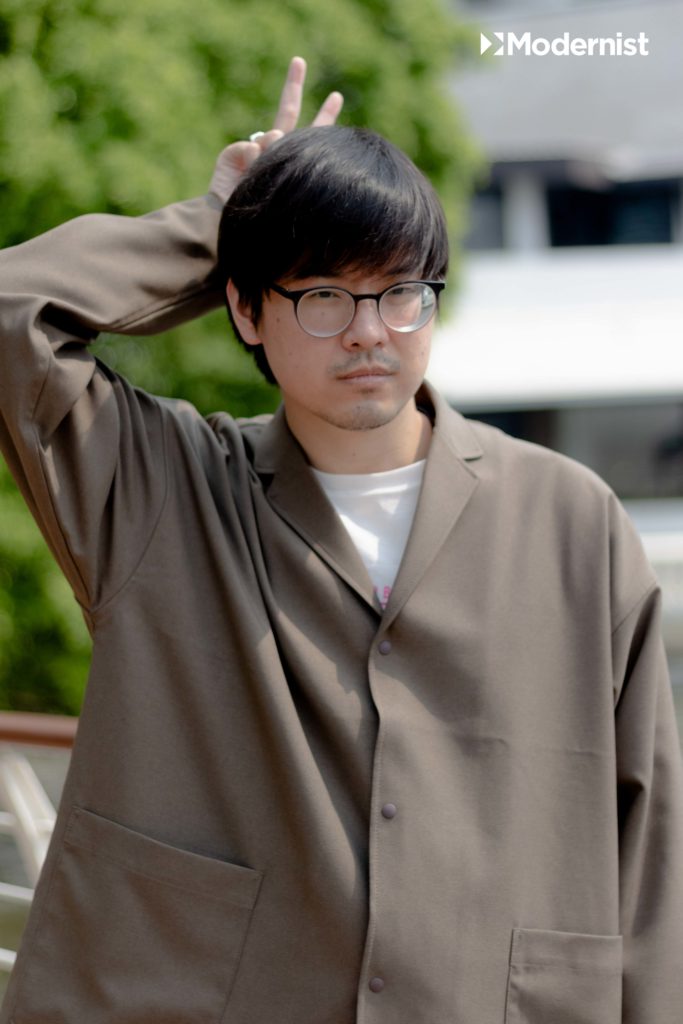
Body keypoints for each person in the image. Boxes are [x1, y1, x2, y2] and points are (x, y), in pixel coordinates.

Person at [0, 56, 682, 1024]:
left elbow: (650, 840)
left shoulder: (569, 518)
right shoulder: (163, 488)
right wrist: (216, 221)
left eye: (401, 291)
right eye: (322, 295)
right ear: (245, 309)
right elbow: (11, 315)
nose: (369, 331)